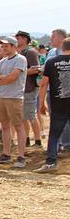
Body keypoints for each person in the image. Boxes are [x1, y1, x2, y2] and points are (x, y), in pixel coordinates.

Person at [0, 37, 28, 168]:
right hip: (2, 96)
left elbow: (13, 77)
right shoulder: (2, 62)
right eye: (3, 47)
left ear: (13, 46)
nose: (4, 49)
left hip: (14, 97)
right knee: (5, 125)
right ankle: (6, 153)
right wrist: (2, 79)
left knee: (18, 126)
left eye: (6, 46)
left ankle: (21, 156)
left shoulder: (20, 60)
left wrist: (1, 79)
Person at [35, 37, 70, 172]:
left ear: (62, 47)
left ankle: (51, 163)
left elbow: (44, 84)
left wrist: (42, 103)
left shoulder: (51, 62)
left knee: (54, 134)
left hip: (58, 103)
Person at [15, 31, 42, 147]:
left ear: (25, 39)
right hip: (22, 88)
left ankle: (37, 141)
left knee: (31, 115)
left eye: (18, 38)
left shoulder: (30, 52)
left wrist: (21, 72)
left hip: (30, 87)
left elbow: (37, 69)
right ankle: (26, 139)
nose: (16, 40)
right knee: (23, 116)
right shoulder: (19, 53)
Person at [45, 29, 70, 151]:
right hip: (52, 91)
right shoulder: (51, 53)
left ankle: (67, 144)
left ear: (61, 38)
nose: (51, 39)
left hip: (66, 91)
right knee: (55, 118)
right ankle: (58, 145)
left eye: (53, 37)